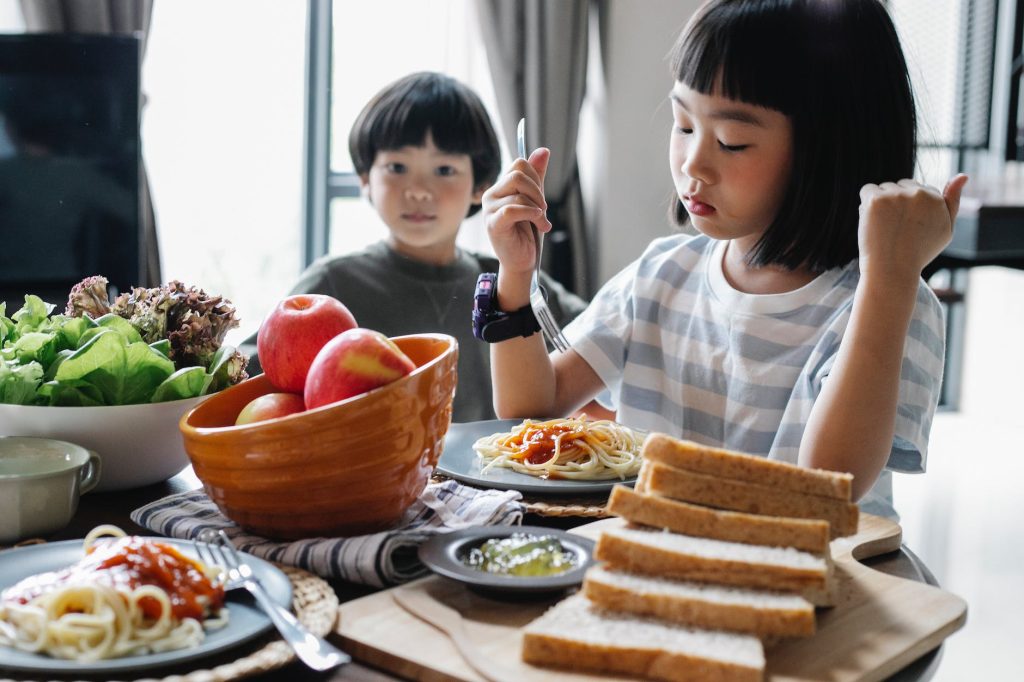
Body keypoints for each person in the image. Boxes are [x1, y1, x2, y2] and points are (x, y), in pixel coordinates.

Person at [480, 0, 968, 519]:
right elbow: (531, 406)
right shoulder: (662, 275)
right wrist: (514, 274)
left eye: (732, 142)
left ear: (828, 149)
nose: (693, 163)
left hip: (811, 590)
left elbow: (830, 484)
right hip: (660, 574)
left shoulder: (888, 302)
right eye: (684, 124)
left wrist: (891, 275)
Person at [278, 71, 586, 423]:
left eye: (443, 169)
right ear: (365, 179)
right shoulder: (331, 285)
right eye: (397, 166)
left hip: (499, 477)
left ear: (481, 185)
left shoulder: (511, 279)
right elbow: (255, 378)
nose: (419, 190)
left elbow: (606, 340)